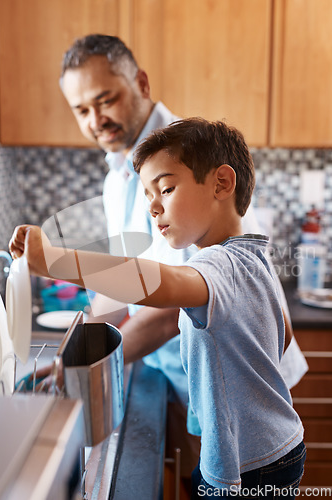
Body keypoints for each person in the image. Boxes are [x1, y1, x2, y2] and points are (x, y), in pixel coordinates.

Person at [9, 118, 306, 498]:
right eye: (149, 194)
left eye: (165, 188)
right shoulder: (252, 255)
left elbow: (156, 283)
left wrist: (54, 261)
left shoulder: (217, 264)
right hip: (275, 447)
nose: (153, 206)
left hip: (249, 465)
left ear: (222, 183)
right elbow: (282, 331)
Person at [59, 34, 307, 479]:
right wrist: (77, 346)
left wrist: (86, 371)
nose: (96, 119)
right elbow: (123, 277)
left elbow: (165, 298)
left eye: (106, 99)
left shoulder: (186, 163)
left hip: (241, 399)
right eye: (81, 110)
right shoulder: (121, 175)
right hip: (196, 383)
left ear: (141, 83)